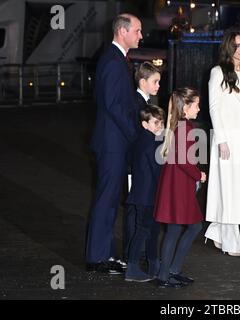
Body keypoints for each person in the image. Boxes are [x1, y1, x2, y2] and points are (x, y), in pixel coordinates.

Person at [86, 13, 143, 274]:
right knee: (106, 199)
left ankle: (106, 255)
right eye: (138, 31)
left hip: (115, 141)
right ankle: (97, 257)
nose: (141, 36)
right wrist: (134, 132)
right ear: (123, 31)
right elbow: (112, 104)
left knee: (110, 200)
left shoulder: (116, 58)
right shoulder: (112, 60)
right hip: (112, 142)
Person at [204, 30, 240, 256]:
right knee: (229, 189)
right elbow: (214, 108)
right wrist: (222, 140)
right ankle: (230, 240)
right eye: (237, 45)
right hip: (228, 141)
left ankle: (217, 231)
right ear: (229, 47)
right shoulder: (218, 72)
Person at [153, 87, 207, 288]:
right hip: (180, 184)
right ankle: (167, 273)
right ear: (185, 107)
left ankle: (168, 272)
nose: (199, 109)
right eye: (196, 105)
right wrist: (199, 174)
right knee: (191, 226)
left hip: (175, 182)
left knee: (176, 229)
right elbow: (184, 161)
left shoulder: (179, 125)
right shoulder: (187, 127)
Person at [124, 61, 161, 259]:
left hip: (140, 162)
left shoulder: (143, 103)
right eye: (155, 81)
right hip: (138, 164)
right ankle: (133, 255)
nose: (158, 86)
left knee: (137, 210)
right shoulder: (138, 104)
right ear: (143, 81)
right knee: (136, 211)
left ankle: (138, 252)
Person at [124, 105, 165, 282]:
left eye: (161, 122)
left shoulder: (143, 140)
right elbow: (157, 169)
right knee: (144, 230)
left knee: (152, 229)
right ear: (145, 124)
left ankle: (153, 263)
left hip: (146, 193)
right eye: (156, 122)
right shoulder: (150, 142)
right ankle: (132, 267)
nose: (160, 125)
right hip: (147, 194)